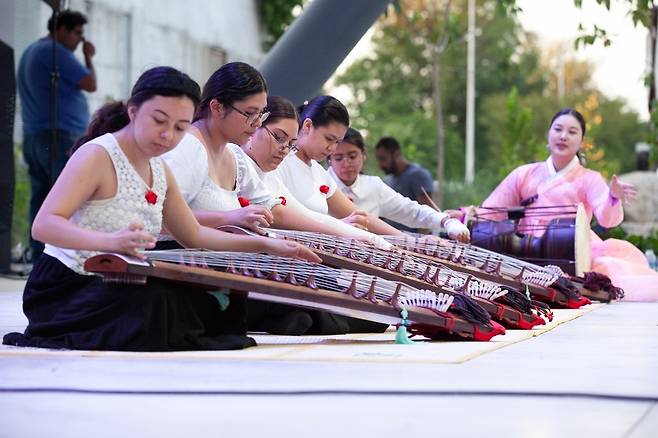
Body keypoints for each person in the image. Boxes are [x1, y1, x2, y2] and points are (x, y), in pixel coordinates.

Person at [2, 66, 319, 352]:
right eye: (159, 121)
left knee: (219, 302)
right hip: (68, 283)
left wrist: (267, 244)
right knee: (160, 304)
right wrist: (109, 242)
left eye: (181, 128)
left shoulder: (159, 169)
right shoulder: (97, 155)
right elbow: (43, 226)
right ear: (133, 111)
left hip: (120, 274)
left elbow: (193, 234)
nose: (169, 135)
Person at [477, 108, 656, 302]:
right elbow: (491, 210)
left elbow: (607, 218)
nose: (563, 136)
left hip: (575, 252)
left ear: (581, 141)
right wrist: (463, 217)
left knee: (612, 276)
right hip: (527, 250)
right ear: (549, 134)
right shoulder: (524, 174)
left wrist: (613, 198)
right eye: (558, 129)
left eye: (572, 132)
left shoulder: (589, 179)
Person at [17, 10, 97, 261]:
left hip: (35, 135)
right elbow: (90, 83)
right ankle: (61, 257)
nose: (80, 41)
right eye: (77, 33)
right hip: (57, 135)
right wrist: (88, 57)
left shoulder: (32, 50)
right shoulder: (55, 52)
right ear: (61, 29)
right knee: (66, 199)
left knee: (41, 196)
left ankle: (39, 255)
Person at [273, 95, 403, 236]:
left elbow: (359, 215)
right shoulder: (278, 161)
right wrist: (338, 227)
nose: (332, 148)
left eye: (337, 142)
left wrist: (408, 241)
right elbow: (278, 214)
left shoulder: (319, 172)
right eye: (329, 139)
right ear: (308, 126)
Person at [328, 127, 469, 242]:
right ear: (329, 158)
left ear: (363, 154)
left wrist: (446, 221)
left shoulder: (373, 186)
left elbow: (411, 210)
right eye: (338, 158)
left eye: (352, 156)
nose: (346, 163)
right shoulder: (321, 181)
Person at [374, 136, 435, 231]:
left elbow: (427, 215)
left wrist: (421, 242)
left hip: (413, 240)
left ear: (396, 153)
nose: (380, 165)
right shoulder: (387, 180)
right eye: (379, 160)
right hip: (389, 239)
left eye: (383, 158)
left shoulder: (418, 175)